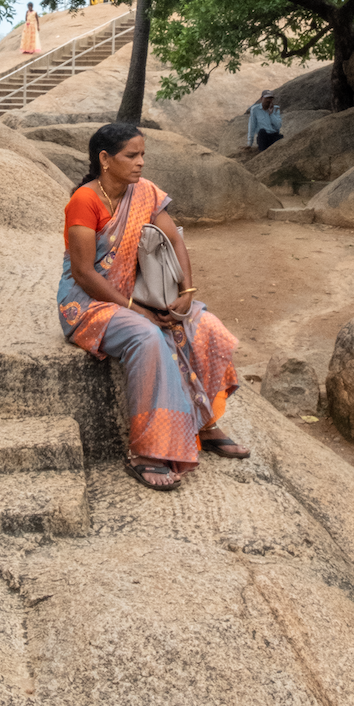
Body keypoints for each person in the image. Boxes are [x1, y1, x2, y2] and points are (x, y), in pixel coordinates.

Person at [59, 122, 248, 492]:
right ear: (105, 159)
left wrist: (186, 291)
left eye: (143, 154)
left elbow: (174, 239)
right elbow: (82, 272)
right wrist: (134, 309)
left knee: (202, 323)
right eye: (132, 155)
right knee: (147, 336)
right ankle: (146, 452)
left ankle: (204, 424)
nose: (141, 162)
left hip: (136, 296)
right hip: (88, 304)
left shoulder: (143, 193)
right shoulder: (85, 199)